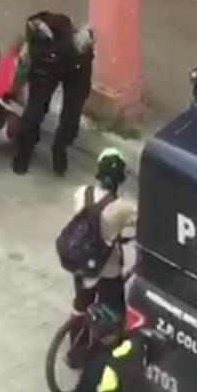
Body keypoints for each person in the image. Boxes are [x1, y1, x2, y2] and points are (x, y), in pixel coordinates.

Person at [69, 147, 137, 362]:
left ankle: (75, 351)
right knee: (114, 307)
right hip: (105, 267)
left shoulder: (81, 193)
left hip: (79, 260)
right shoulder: (123, 207)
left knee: (81, 303)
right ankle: (107, 349)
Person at [11, 11, 95, 176]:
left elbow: (80, 89)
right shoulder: (31, 49)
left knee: (71, 115)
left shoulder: (79, 47)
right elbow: (22, 70)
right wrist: (14, 90)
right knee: (34, 111)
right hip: (45, 71)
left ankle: (60, 148)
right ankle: (25, 149)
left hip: (74, 68)